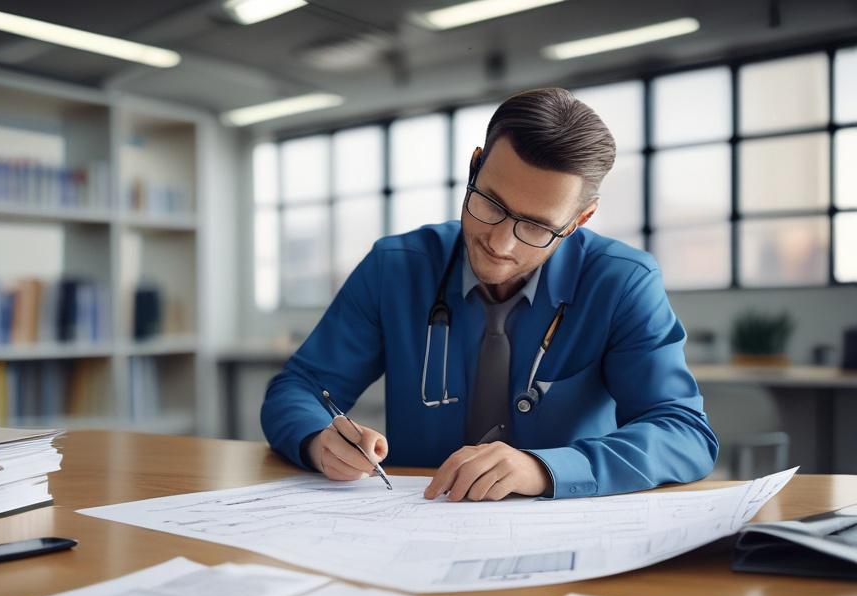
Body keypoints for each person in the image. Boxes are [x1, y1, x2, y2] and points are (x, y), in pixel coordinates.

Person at [261, 87, 718, 501]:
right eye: (491, 205)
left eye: (537, 226)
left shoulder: (621, 282)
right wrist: (318, 440)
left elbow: (683, 432)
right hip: (415, 519)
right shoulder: (395, 266)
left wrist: (546, 467)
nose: (501, 244)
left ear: (580, 219)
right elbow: (299, 389)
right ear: (475, 165)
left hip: (561, 529)